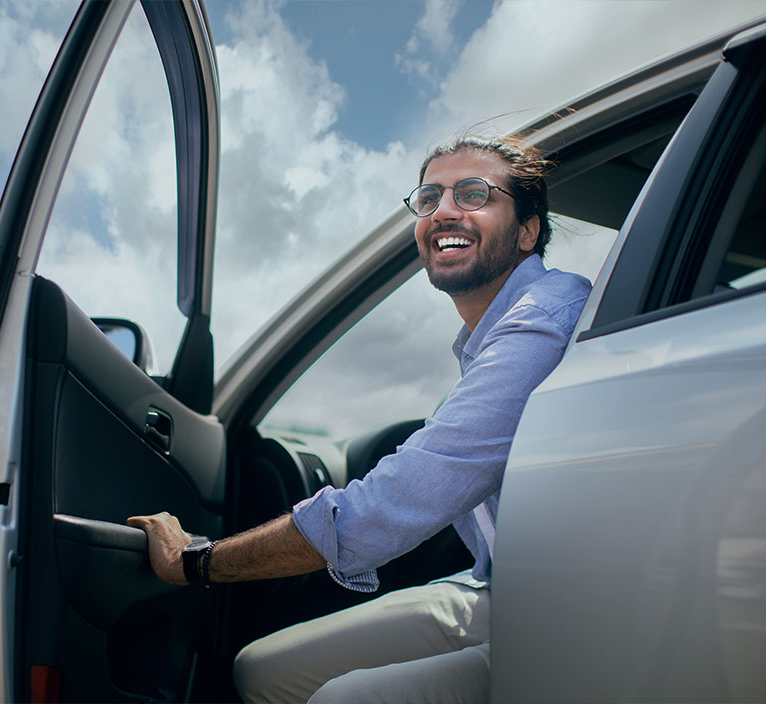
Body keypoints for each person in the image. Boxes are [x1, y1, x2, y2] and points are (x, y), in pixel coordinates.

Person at [128, 135, 593, 703]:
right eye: (429, 198)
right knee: (260, 670)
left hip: (568, 613)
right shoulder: (484, 344)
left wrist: (196, 562)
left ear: (526, 231)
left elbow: (400, 498)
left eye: (474, 194)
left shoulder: (544, 320)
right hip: (496, 588)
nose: (444, 210)